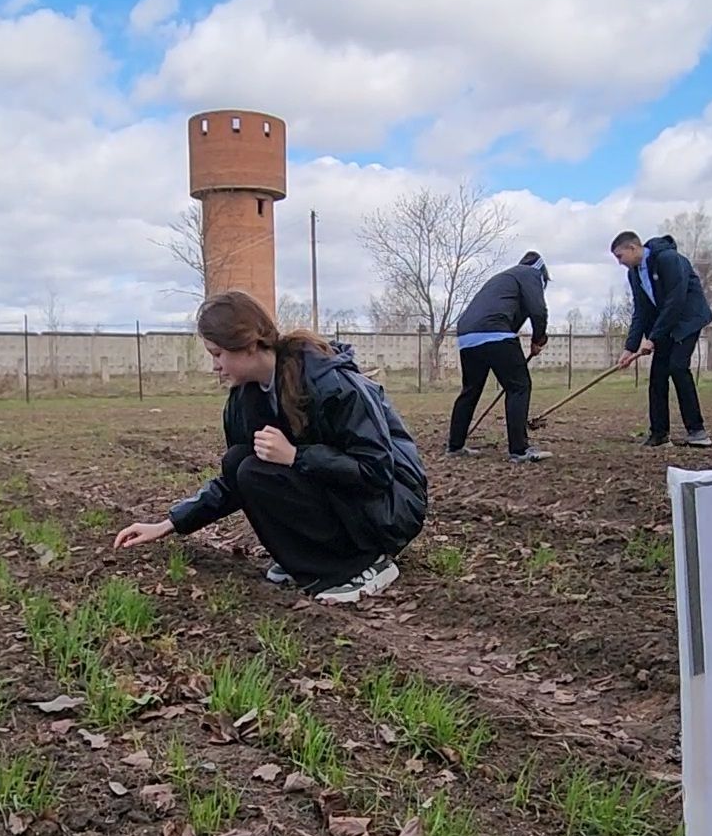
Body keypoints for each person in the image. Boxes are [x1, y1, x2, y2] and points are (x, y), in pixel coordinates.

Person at [114, 291, 428, 605]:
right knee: (241, 463)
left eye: (218, 354)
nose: (214, 366)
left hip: (391, 508)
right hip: (348, 499)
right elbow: (234, 481)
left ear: (249, 345)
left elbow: (376, 470)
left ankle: (362, 567)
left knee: (254, 467)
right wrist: (170, 523)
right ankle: (311, 560)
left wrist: (295, 456)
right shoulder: (245, 400)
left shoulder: (332, 383)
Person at [446, 250, 552, 462]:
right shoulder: (531, 274)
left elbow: (512, 315)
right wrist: (538, 338)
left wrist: (534, 341)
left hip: (467, 334)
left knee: (470, 389)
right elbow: (538, 310)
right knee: (519, 386)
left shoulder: (506, 278)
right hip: (494, 331)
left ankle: (455, 445)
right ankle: (519, 451)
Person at [612, 231, 712, 447]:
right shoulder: (634, 274)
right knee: (657, 374)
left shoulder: (668, 259)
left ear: (633, 248)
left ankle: (697, 431)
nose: (620, 263)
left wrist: (653, 339)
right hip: (665, 323)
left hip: (687, 320)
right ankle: (659, 434)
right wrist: (629, 348)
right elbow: (641, 311)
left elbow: (675, 301)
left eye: (620, 257)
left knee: (677, 367)